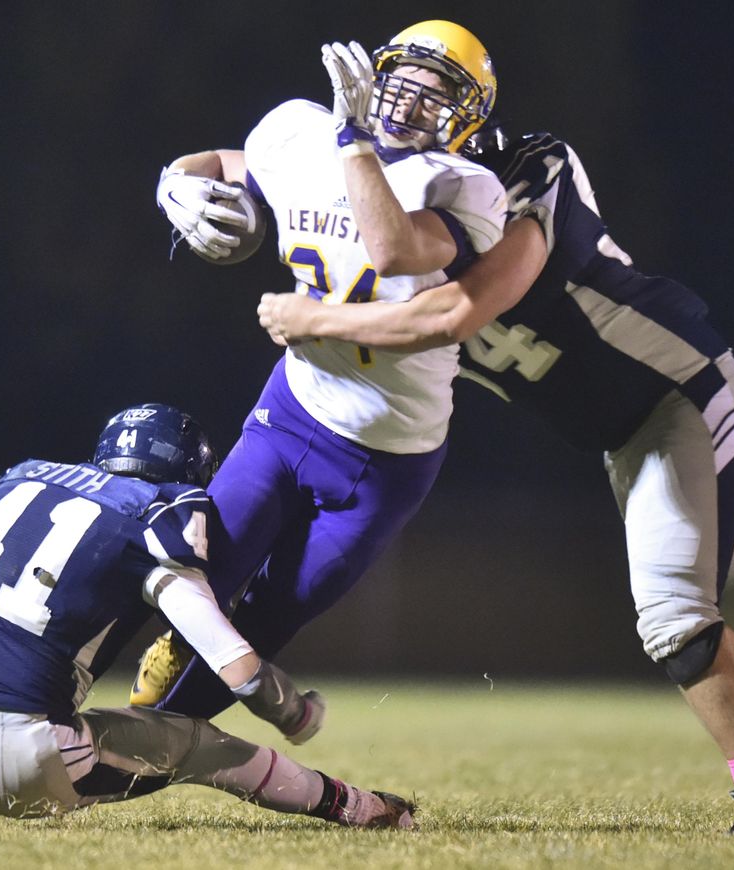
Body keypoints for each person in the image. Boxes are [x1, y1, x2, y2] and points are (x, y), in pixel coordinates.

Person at [255, 130, 734, 836]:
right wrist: (193, 189)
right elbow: (254, 173)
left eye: (437, 99)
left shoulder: (520, 177)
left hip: (683, 397)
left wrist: (318, 316)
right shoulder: (382, 208)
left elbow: (453, 314)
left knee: (675, 610)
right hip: (628, 433)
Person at [0, 404, 414, 831]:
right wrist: (294, 710)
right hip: (34, 752)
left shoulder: (16, 484)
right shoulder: (154, 518)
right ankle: (359, 808)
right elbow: (235, 665)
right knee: (200, 746)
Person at [136, 21, 507, 718]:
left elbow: (393, 248)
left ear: (464, 120)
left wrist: (355, 140)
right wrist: (175, 184)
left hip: (389, 455)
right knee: (196, 574)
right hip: (293, 411)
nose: (413, 102)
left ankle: (149, 749)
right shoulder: (299, 132)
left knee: (272, 618)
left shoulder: (465, 186)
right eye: (405, 81)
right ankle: (87, 707)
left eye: (439, 95)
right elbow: (223, 161)